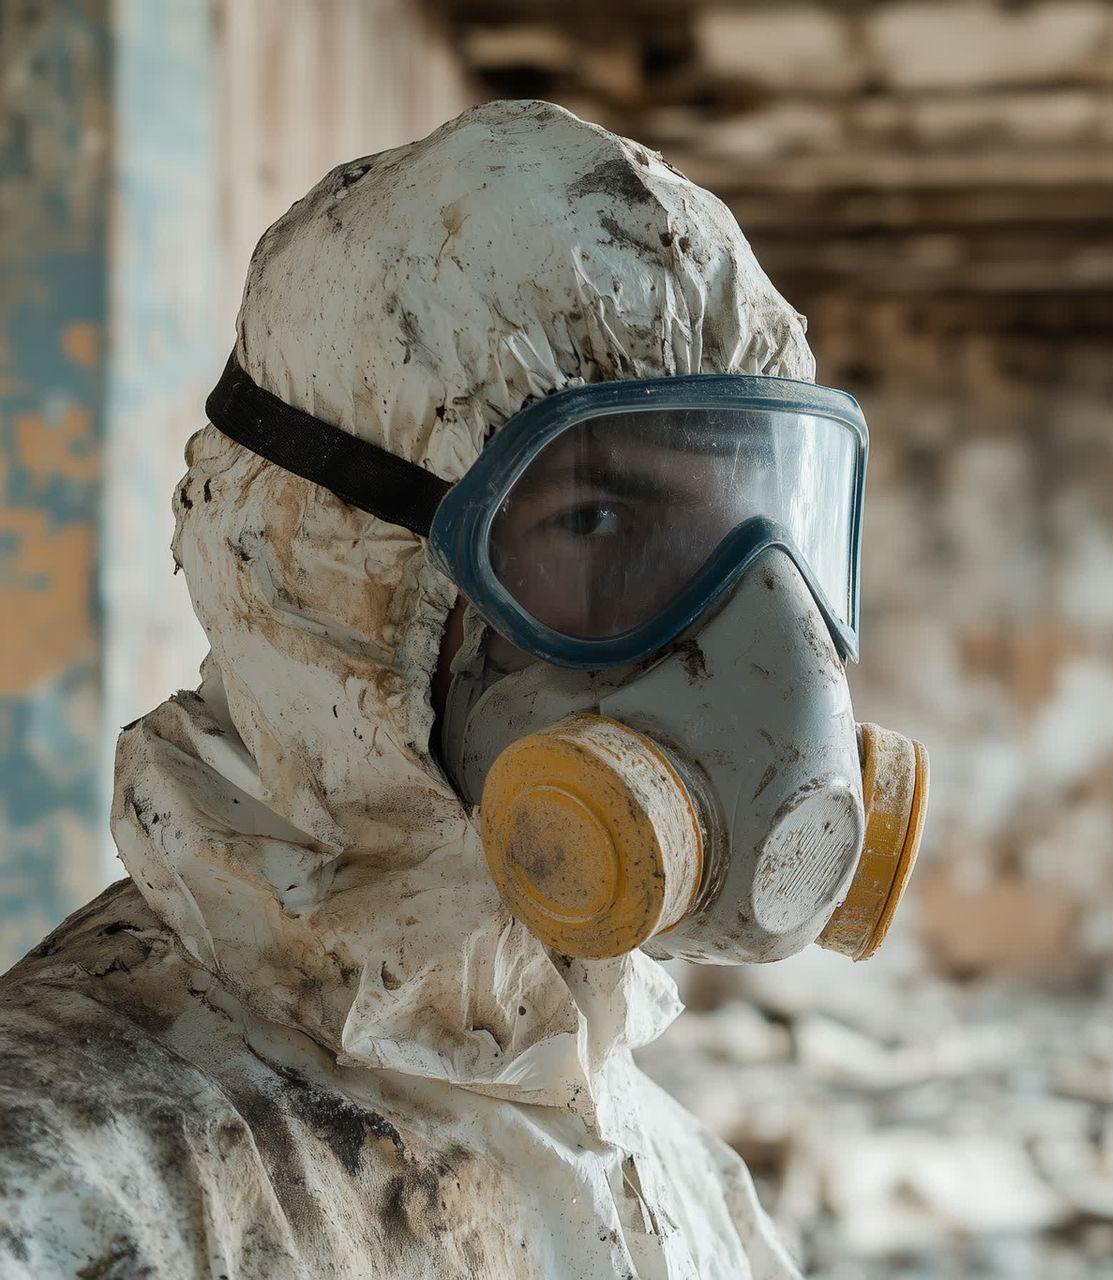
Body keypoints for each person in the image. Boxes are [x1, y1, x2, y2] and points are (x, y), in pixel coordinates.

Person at [0, 99, 927, 1278]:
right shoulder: (68, 1191)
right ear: (334, 573)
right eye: (598, 519)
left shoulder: (659, 1159)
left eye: (764, 535)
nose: (769, 656)